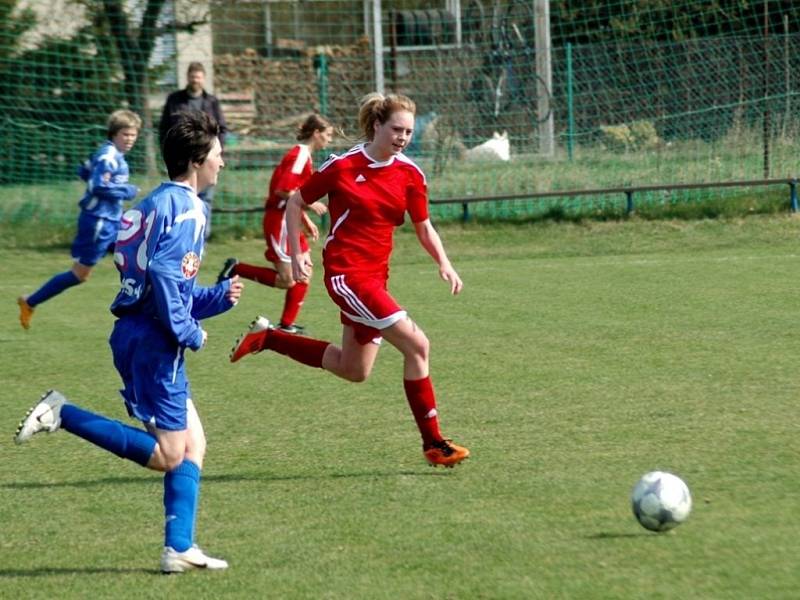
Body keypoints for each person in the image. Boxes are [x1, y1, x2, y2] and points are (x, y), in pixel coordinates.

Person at [15, 111, 243, 574]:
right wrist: (188, 330)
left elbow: (160, 281)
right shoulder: (190, 208)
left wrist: (216, 297)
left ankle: (179, 546)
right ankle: (64, 413)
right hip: (156, 343)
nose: (223, 163)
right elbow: (162, 276)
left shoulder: (152, 202)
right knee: (168, 455)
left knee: (193, 445)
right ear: (198, 159)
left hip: (138, 331)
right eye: (219, 154)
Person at [229, 93, 470, 468]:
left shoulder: (410, 173)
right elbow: (295, 202)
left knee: (353, 369)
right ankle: (434, 443)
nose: (403, 137)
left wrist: (445, 263)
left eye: (408, 131)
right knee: (418, 346)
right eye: (396, 129)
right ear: (377, 126)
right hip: (347, 276)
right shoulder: (343, 166)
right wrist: (295, 254)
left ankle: (269, 338)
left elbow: (424, 226)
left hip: (376, 279)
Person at [17, 109, 142, 329]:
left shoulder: (109, 154)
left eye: (133, 135)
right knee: (80, 274)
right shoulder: (108, 157)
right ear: (114, 134)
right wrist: (126, 191)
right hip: (98, 223)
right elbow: (97, 185)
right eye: (125, 134)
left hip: (112, 219)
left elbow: (83, 171)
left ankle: (140, 306)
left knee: (137, 255)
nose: (130, 139)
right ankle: (29, 302)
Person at [217, 114, 333, 333]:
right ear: (316, 133)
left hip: (290, 219)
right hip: (280, 222)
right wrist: (310, 205)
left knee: (305, 269)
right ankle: (236, 268)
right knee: (287, 280)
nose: (329, 140)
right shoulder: (299, 156)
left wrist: (304, 219)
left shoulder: (304, 156)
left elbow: (293, 195)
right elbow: (283, 190)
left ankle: (287, 325)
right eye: (327, 135)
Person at [159, 61, 228, 237]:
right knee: (179, 197)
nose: (195, 80)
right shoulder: (174, 100)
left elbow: (222, 128)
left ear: (203, 79)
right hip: (181, 160)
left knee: (205, 198)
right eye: (192, 76)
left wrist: (215, 153)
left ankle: (200, 239)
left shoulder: (211, 102)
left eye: (198, 77)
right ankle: (176, 235)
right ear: (187, 78)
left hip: (204, 159)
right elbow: (164, 128)